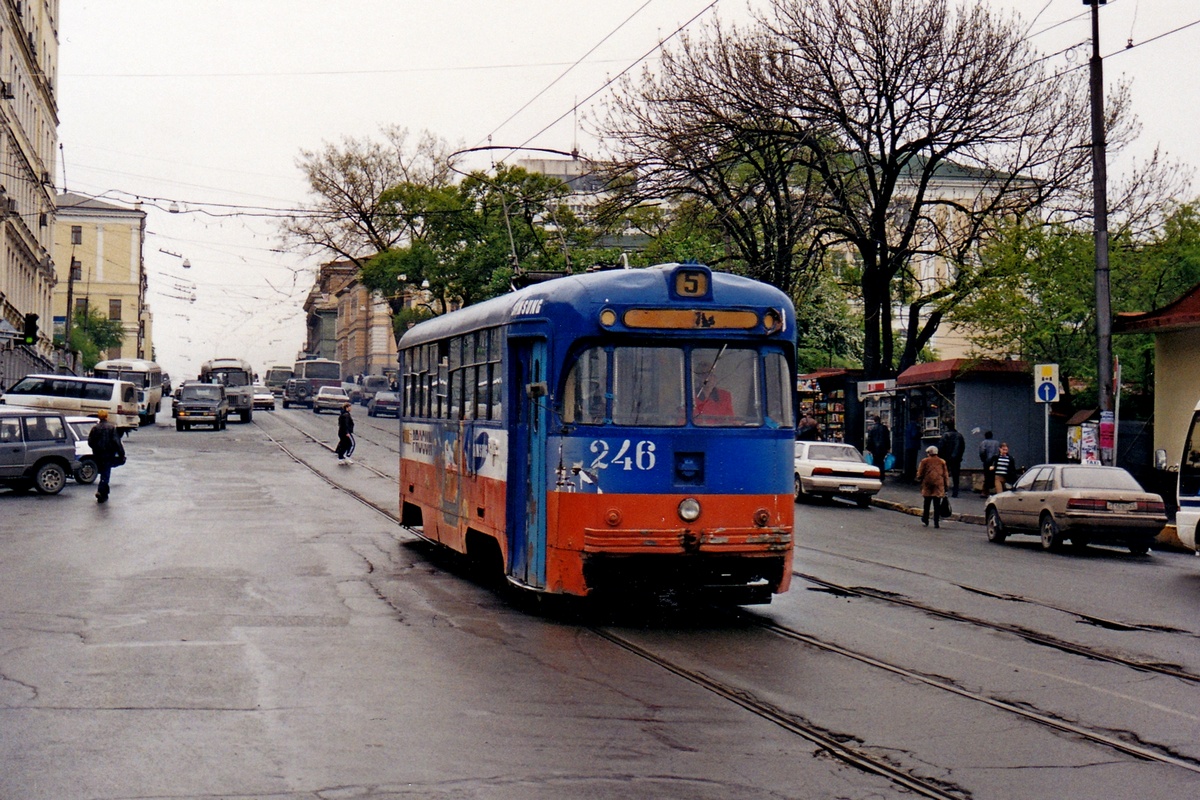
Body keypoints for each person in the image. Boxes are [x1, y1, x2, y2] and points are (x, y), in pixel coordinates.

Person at [87, 409, 125, 503]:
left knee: (104, 472)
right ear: (106, 416)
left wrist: (95, 449)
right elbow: (117, 442)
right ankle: (101, 491)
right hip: (108, 454)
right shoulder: (111, 428)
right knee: (105, 473)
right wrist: (121, 454)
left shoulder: (95, 428)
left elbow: (90, 442)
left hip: (98, 454)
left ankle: (104, 493)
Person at [916, 445, 950, 528]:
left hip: (928, 483)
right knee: (937, 504)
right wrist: (946, 486)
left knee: (927, 503)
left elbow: (920, 473)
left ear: (929, 453)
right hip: (939, 484)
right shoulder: (942, 461)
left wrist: (919, 478)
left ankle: (925, 519)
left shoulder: (924, 461)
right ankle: (936, 522)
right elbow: (945, 475)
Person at [937, 419, 966, 498]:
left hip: (946, 458)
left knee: (944, 475)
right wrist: (959, 456)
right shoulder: (959, 436)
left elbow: (941, 447)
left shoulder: (945, 435)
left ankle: (944, 491)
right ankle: (955, 491)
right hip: (956, 459)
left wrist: (940, 457)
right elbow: (962, 447)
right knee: (955, 476)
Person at [866, 416, 891, 480]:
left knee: (875, 461)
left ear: (874, 421)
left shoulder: (872, 429)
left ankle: (875, 475)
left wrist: (869, 448)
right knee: (881, 462)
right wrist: (888, 448)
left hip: (874, 449)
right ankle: (882, 476)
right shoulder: (884, 428)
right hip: (883, 448)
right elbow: (887, 439)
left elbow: (870, 439)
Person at [979, 430, 1000, 496]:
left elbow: (982, 451)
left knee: (987, 476)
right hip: (995, 461)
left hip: (987, 461)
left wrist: (983, 459)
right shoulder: (997, 443)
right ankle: (997, 490)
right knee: (994, 476)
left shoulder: (983, 442)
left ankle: (985, 491)